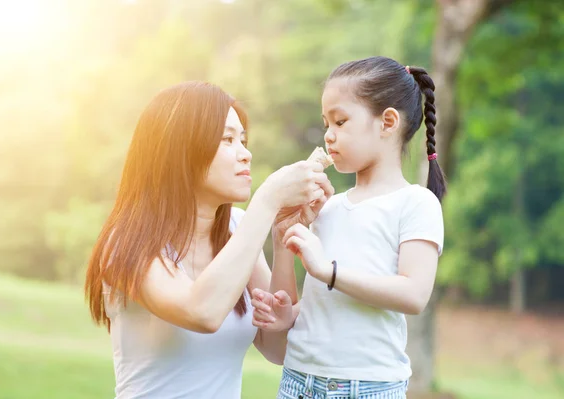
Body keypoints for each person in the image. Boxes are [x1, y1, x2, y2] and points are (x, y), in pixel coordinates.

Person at [84, 81, 334, 399]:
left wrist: (283, 240)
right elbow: (201, 312)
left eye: (243, 140)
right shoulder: (124, 243)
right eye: (228, 140)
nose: (246, 154)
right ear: (180, 150)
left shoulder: (237, 228)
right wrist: (267, 199)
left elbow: (280, 348)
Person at [252, 56, 446, 399]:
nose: (329, 135)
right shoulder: (327, 208)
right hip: (299, 380)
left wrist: (329, 271)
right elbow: (325, 303)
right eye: (326, 123)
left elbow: (413, 294)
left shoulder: (416, 203)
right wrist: (290, 312)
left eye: (340, 121)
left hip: (367, 387)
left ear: (387, 122)